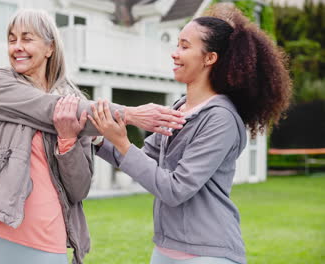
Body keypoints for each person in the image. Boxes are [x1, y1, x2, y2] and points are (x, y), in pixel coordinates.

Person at [81, 3, 291, 264]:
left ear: (209, 58)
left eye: (184, 46)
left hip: (208, 252)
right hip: (165, 248)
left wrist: (122, 143)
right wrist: (100, 138)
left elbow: (175, 188)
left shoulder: (221, 119)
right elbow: (143, 159)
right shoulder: (179, 109)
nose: (174, 54)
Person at [0, 9, 186, 264]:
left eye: (27, 39)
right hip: (1, 234)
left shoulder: (76, 101)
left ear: (49, 47)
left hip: (50, 240)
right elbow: (50, 108)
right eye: (11, 39)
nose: (17, 47)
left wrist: (67, 140)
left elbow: (79, 189)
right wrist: (129, 114)